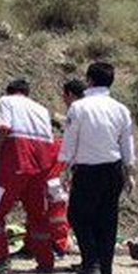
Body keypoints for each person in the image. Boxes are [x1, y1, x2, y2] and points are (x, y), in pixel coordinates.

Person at [60, 62, 136, 274]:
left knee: (78, 216)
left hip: (87, 170)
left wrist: (64, 168)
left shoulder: (79, 108)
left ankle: (90, 264)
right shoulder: (120, 109)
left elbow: (70, 141)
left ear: (89, 80)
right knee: (107, 219)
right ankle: (105, 270)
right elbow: (127, 143)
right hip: (113, 169)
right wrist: (130, 171)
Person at [0, 79, 57, 274]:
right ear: (27, 93)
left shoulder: (6, 101)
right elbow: (49, 139)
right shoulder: (41, 109)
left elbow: (3, 129)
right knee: (38, 217)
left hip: (14, 166)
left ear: (9, 91)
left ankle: (0, 262)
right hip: (40, 168)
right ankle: (46, 262)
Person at [40, 78, 86, 258]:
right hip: (86, 167)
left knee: (59, 211)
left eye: (64, 95)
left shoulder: (77, 112)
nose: (63, 99)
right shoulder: (96, 110)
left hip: (70, 170)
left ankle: (60, 246)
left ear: (70, 95)